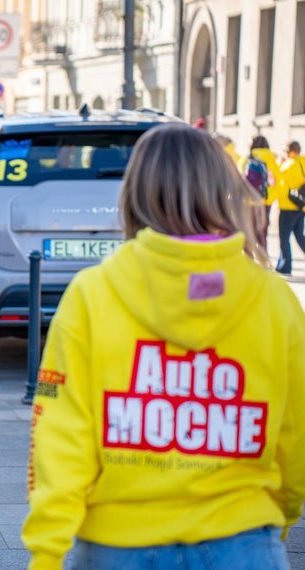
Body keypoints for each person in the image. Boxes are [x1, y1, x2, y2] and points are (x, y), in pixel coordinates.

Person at [22, 124, 305, 569]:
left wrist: (46, 552)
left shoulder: (94, 294)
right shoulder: (276, 302)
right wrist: (278, 521)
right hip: (244, 541)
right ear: (221, 190)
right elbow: (294, 435)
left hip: (117, 545)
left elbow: (59, 435)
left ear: (135, 196)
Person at [275, 140, 305, 275]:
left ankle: (285, 267)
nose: (285, 154)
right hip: (301, 207)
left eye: (286, 151)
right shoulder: (302, 162)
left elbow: (279, 185)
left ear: (292, 151)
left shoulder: (287, 165)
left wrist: (279, 162)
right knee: (299, 236)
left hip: (288, 207)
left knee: (284, 238)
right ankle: (283, 265)